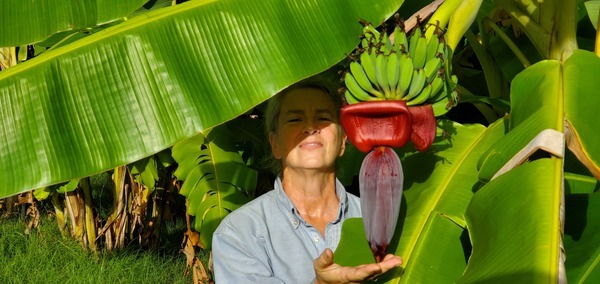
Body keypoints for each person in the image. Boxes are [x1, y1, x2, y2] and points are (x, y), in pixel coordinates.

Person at [212, 82, 402, 283]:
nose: (311, 128)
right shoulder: (239, 232)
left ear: (342, 141)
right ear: (275, 144)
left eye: (323, 118)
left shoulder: (378, 220)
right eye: (295, 119)